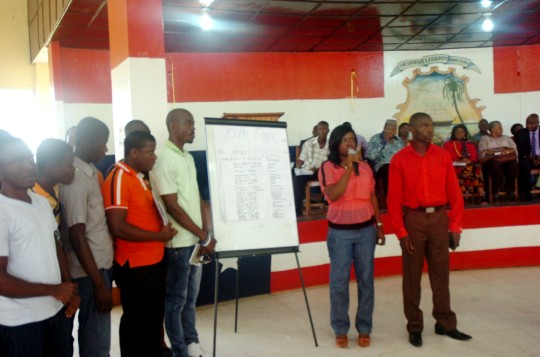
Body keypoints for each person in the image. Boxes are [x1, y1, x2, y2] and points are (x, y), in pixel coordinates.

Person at [387, 112, 471, 348]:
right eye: (424, 125)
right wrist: (401, 233)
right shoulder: (400, 159)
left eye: (431, 124)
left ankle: (445, 323)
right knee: (412, 278)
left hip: (439, 221)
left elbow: (455, 195)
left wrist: (455, 226)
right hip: (413, 220)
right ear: (412, 130)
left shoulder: (443, 156)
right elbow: (393, 201)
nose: (430, 129)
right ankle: (415, 326)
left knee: (441, 275)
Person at [0, 137, 78, 356]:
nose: (28, 165)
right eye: (17, 162)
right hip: (20, 323)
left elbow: (55, 245)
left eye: (29, 158)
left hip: (55, 313)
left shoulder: (41, 202)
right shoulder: (3, 212)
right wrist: (54, 290)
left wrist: (69, 288)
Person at [103, 131, 177, 357]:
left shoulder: (139, 176)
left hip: (153, 261)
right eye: (150, 152)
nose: (154, 157)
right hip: (135, 265)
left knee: (153, 320)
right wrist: (159, 237)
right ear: (133, 152)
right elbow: (118, 227)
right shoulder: (119, 177)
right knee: (137, 324)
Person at [151, 108, 217, 357]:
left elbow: (197, 197)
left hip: (196, 240)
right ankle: (180, 351)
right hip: (179, 244)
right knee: (176, 302)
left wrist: (207, 231)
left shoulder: (187, 157)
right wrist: (202, 235)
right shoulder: (165, 159)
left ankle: (192, 343)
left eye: (193, 123)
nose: (193, 128)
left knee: (191, 300)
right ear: (172, 126)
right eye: (188, 123)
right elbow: (172, 206)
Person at [318, 124, 385, 349]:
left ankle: (364, 327)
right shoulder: (327, 167)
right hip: (340, 234)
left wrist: (379, 224)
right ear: (336, 143)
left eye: (352, 140)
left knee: (366, 281)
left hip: (366, 231)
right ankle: (340, 327)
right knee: (339, 283)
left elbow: (373, 197)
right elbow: (334, 195)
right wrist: (349, 168)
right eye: (345, 140)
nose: (350, 144)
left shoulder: (366, 168)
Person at [59, 117, 114, 357]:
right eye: (102, 143)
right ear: (86, 142)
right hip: (89, 274)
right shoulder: (76, 178)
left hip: (97, 268)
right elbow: (77, 234)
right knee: (96, 343)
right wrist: (100, 285)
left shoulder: (89, 172)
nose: (106, 149)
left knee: (98, 338)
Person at [293, 121, 330, 216]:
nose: (322, 131)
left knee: (332, 176)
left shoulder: (330, 146)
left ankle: (330, 204)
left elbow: (330, 163)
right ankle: (298, 211)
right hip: (307, 171)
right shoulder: (308, 143)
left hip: (322, 172)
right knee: (296, 179)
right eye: (320, 129)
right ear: (317, 131)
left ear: (328, 130)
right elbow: (301, 160)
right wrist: (298, 169)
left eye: (324, 129)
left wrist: (318, 169)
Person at [478, 121, 518, 200]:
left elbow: (514, 149)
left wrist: (507, 151)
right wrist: (494, 152)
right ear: (492, 129)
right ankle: (496, 190)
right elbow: (482, 152)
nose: (502, 129)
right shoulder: (485, 138)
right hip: (492, 161)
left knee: (513, 164)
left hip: (506, 159)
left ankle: (510, 189)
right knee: (495, 164)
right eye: (499, 128)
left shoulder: (506, 138)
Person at [442, 125, 485, 198]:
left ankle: (480, 193)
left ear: (465, 134)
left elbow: (474, 158)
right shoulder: (447, 144)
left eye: (462, 132)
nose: (459, 133)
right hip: (454, 166)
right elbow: (446, 158)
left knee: (476, 167)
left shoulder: (470, 144)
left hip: (469, 165)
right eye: (457, 132)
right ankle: (459, 195)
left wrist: (468, 161)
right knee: (464, 169)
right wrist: (458, 160)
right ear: (453, 133)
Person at [367, 119, 404, 196]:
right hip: (381, 166)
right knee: (390, 169)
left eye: (393, 129)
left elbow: (404, 156)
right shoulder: (375, 138)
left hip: (398, 166)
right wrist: (383, 143)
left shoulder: (399, 140)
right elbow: (370, 156)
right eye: (388, 128)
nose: (391, 131)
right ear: (384, 128)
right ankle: (390, 196)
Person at [514, 114, 540, 201]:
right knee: (524, 164)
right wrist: (531, 157)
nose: (528, 125)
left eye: (532, 123)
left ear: (537, 123)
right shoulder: (520, 133)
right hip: (527, 157)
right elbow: (520, 151)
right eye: (527, 123)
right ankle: (527, 193)